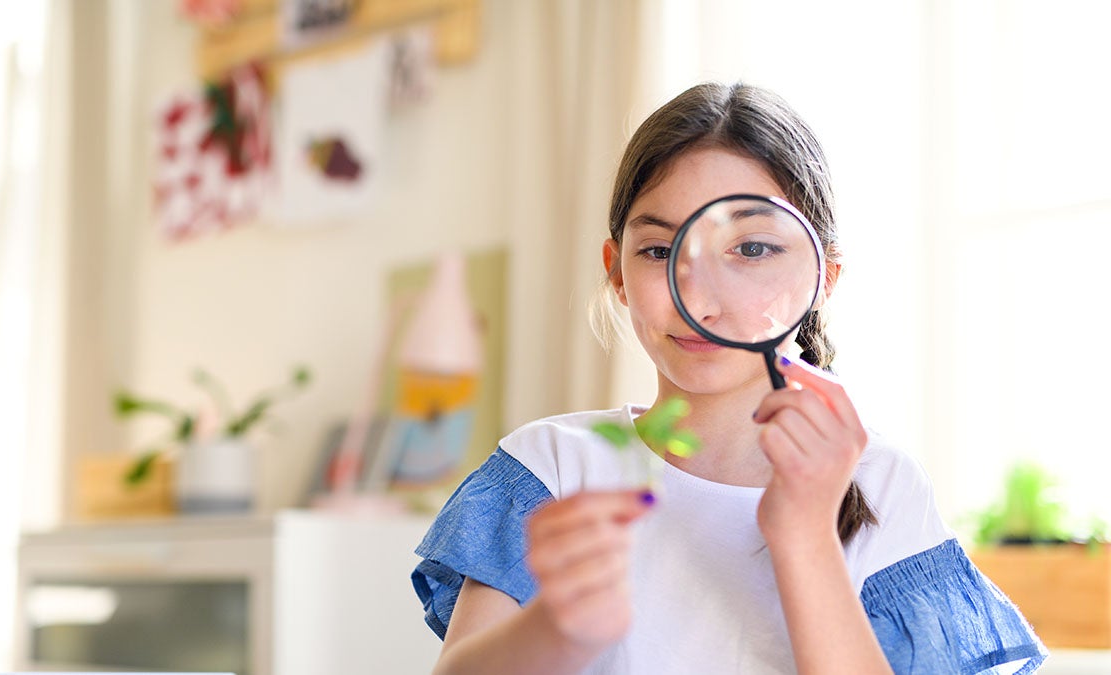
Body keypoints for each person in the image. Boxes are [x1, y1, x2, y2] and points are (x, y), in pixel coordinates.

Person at [411, 82, 1046, 674]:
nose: (703, 299)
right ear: (617, 271)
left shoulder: (879, 484)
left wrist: (803, 535)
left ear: (823, 279)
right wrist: (559, 626)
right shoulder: (551, 467)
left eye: (751, 249)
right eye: (660, 252)